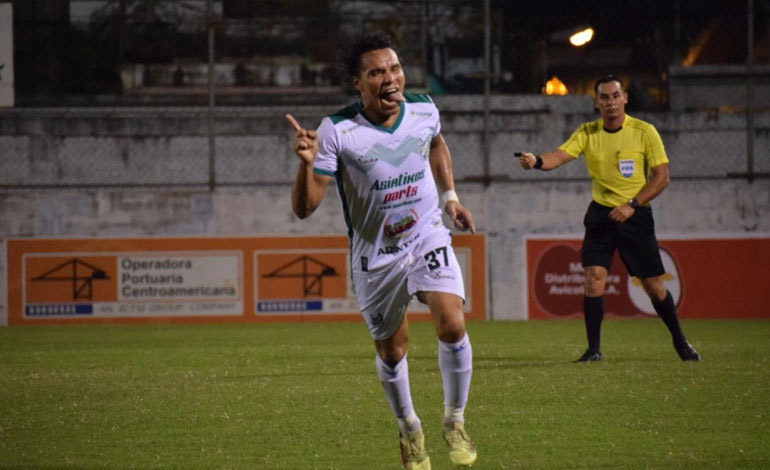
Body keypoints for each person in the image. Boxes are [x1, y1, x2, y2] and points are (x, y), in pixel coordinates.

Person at [286, 32, 477, 469]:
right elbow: (305, 207)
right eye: (376, 73)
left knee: (452, 322)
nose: (390, 79)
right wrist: (304, 164)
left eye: (394, 69)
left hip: (426, 234)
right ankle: (410, 428)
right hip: (376, 255)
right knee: (393, 350)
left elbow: (435, 142)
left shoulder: (425, 107)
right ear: (358, 82)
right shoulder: (338, 130)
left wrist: (450, 198)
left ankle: (455, 421)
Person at [516, 75, 700, 363]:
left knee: (654, 286)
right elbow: (560, 156)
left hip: (635, 215)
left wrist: (632, 205)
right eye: (604, 97)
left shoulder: (644, 131)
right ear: (597, 102)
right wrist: (536, 161)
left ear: (624, 98)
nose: (611, 102)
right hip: (601, 215)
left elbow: (662, 178)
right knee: (594, 279)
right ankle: (594, 350)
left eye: (615, 96)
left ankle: (680, 342)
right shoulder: (588, 133)